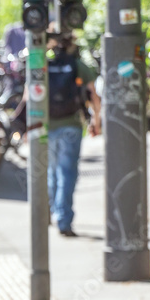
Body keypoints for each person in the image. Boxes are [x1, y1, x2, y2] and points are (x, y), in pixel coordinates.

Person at [45, 29, 101, 237]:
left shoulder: (43, 64)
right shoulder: (78, 65)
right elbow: (94, 96)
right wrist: (96, 122)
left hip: (47, 126)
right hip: (72, 125)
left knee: (52, 171)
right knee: (67, 173)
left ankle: (52, 211)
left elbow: (28, 95)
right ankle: (64, 219)